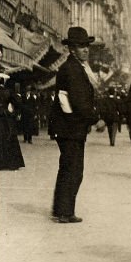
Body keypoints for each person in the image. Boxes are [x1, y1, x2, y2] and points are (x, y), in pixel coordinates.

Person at [50, 26, 99, 223]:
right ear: (71, 49)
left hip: (68, 127)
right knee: (73, 169)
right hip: (70, 128)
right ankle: (64, 212)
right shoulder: (73, 69)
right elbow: (79, 101)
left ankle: (62, 209)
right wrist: (96, 118)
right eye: (81, 46)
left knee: (68, 167)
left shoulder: (74, 67)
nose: (86, 49)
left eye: (87, 46)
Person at [0, 75, 25, 171]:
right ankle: (11, 163)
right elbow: (18, 102)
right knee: (9, 138)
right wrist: (13, 112)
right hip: (6, 119)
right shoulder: (8, 91)